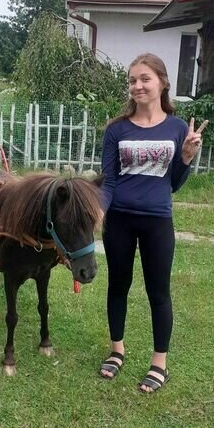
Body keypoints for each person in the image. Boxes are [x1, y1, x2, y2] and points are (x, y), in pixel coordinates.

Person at [99, 53, 208, 393]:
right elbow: (109, 180)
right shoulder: (117, 129)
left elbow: (172, 183)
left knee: (158, 292)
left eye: (144, 78)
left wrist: (187, 157)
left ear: (162, 82)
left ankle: (159, 362)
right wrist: (100, 211)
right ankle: (117, 349)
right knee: (118, 285)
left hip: (157, 221)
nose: (137, 86)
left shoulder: (177, 128)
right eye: (132, 80)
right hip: (118, 220)